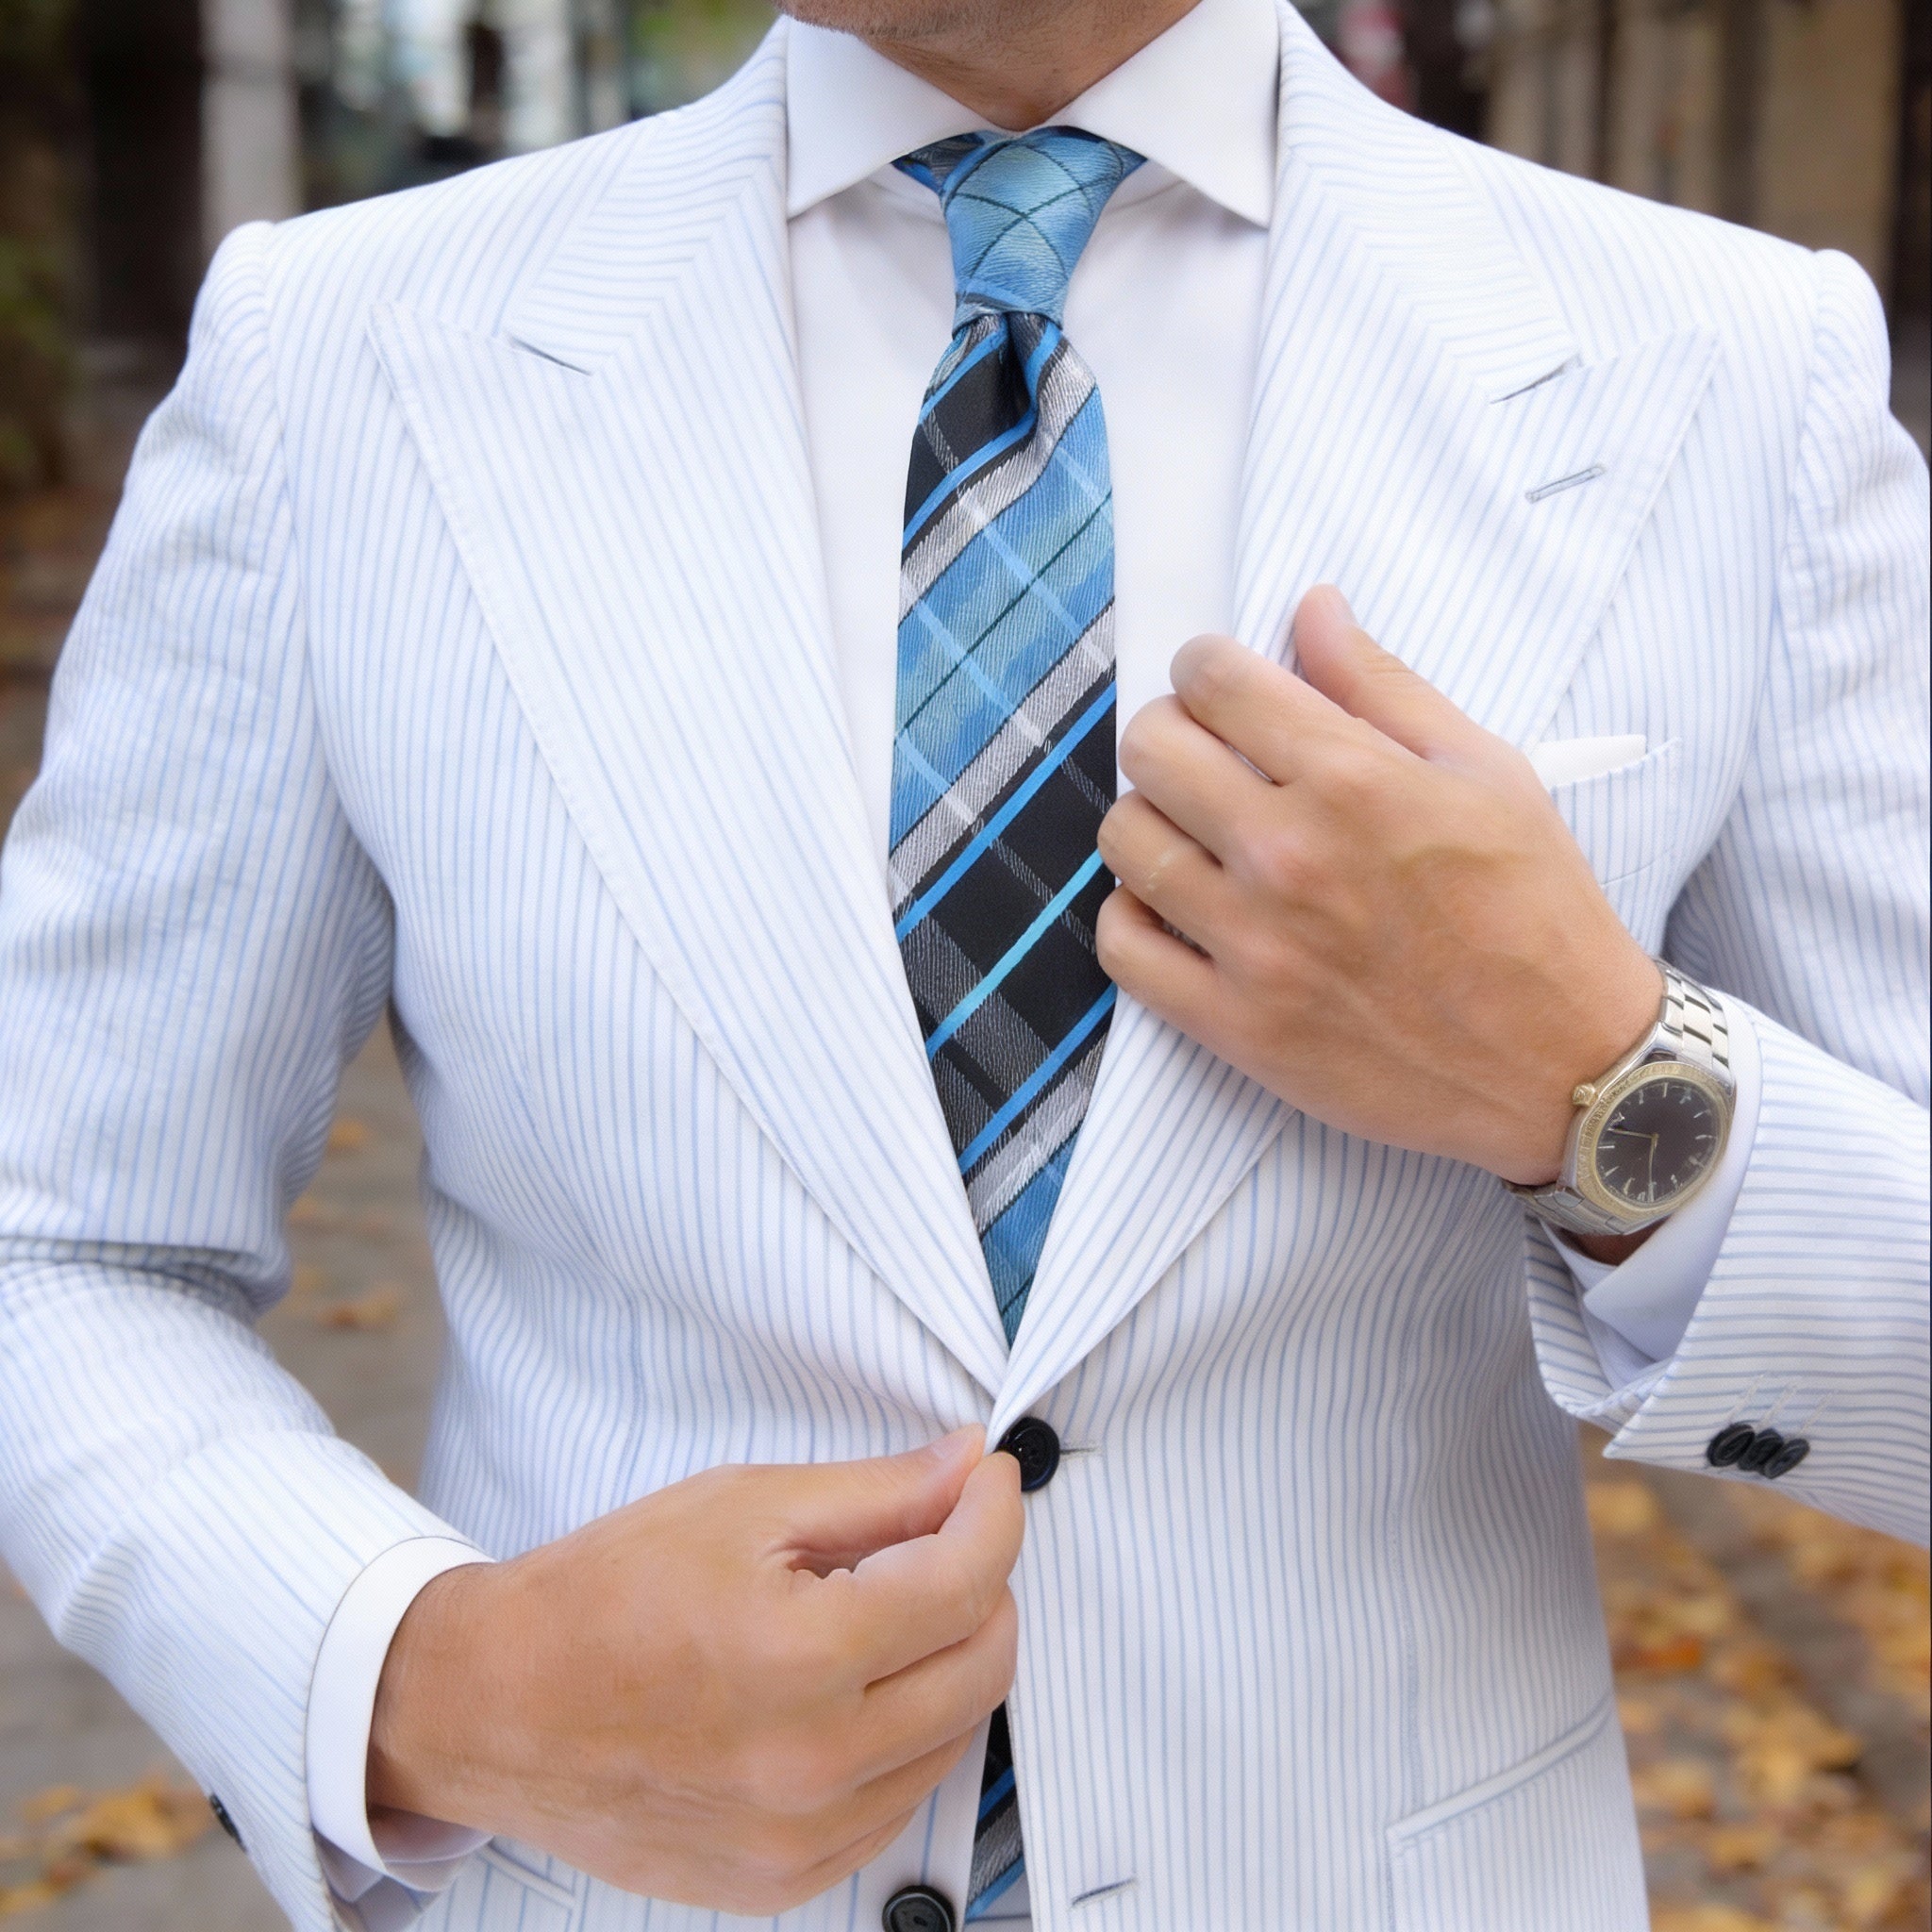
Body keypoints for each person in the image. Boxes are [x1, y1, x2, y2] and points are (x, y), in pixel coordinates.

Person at [0, 0, 1924, 1924]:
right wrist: (427, 1678)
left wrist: (1600, 1081)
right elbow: (63, 1239)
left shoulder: (1734, 376)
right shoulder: (335, 361)